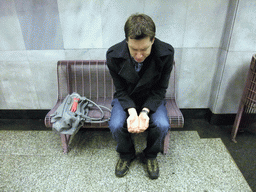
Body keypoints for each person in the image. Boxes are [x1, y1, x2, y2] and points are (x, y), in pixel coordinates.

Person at [106, 13, 174, 179]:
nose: (138, 56)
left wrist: (144, 112)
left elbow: (160, 89)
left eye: (144, 50)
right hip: (126, 97)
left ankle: (150, 155)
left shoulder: (166, 53)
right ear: (127, 40)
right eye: (133, 49)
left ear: (152, 40)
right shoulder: (113, 55)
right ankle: (126, 154)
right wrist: (131, 111)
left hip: (152, 97)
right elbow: (120, 90)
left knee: (162, 124)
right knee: (115, 124)